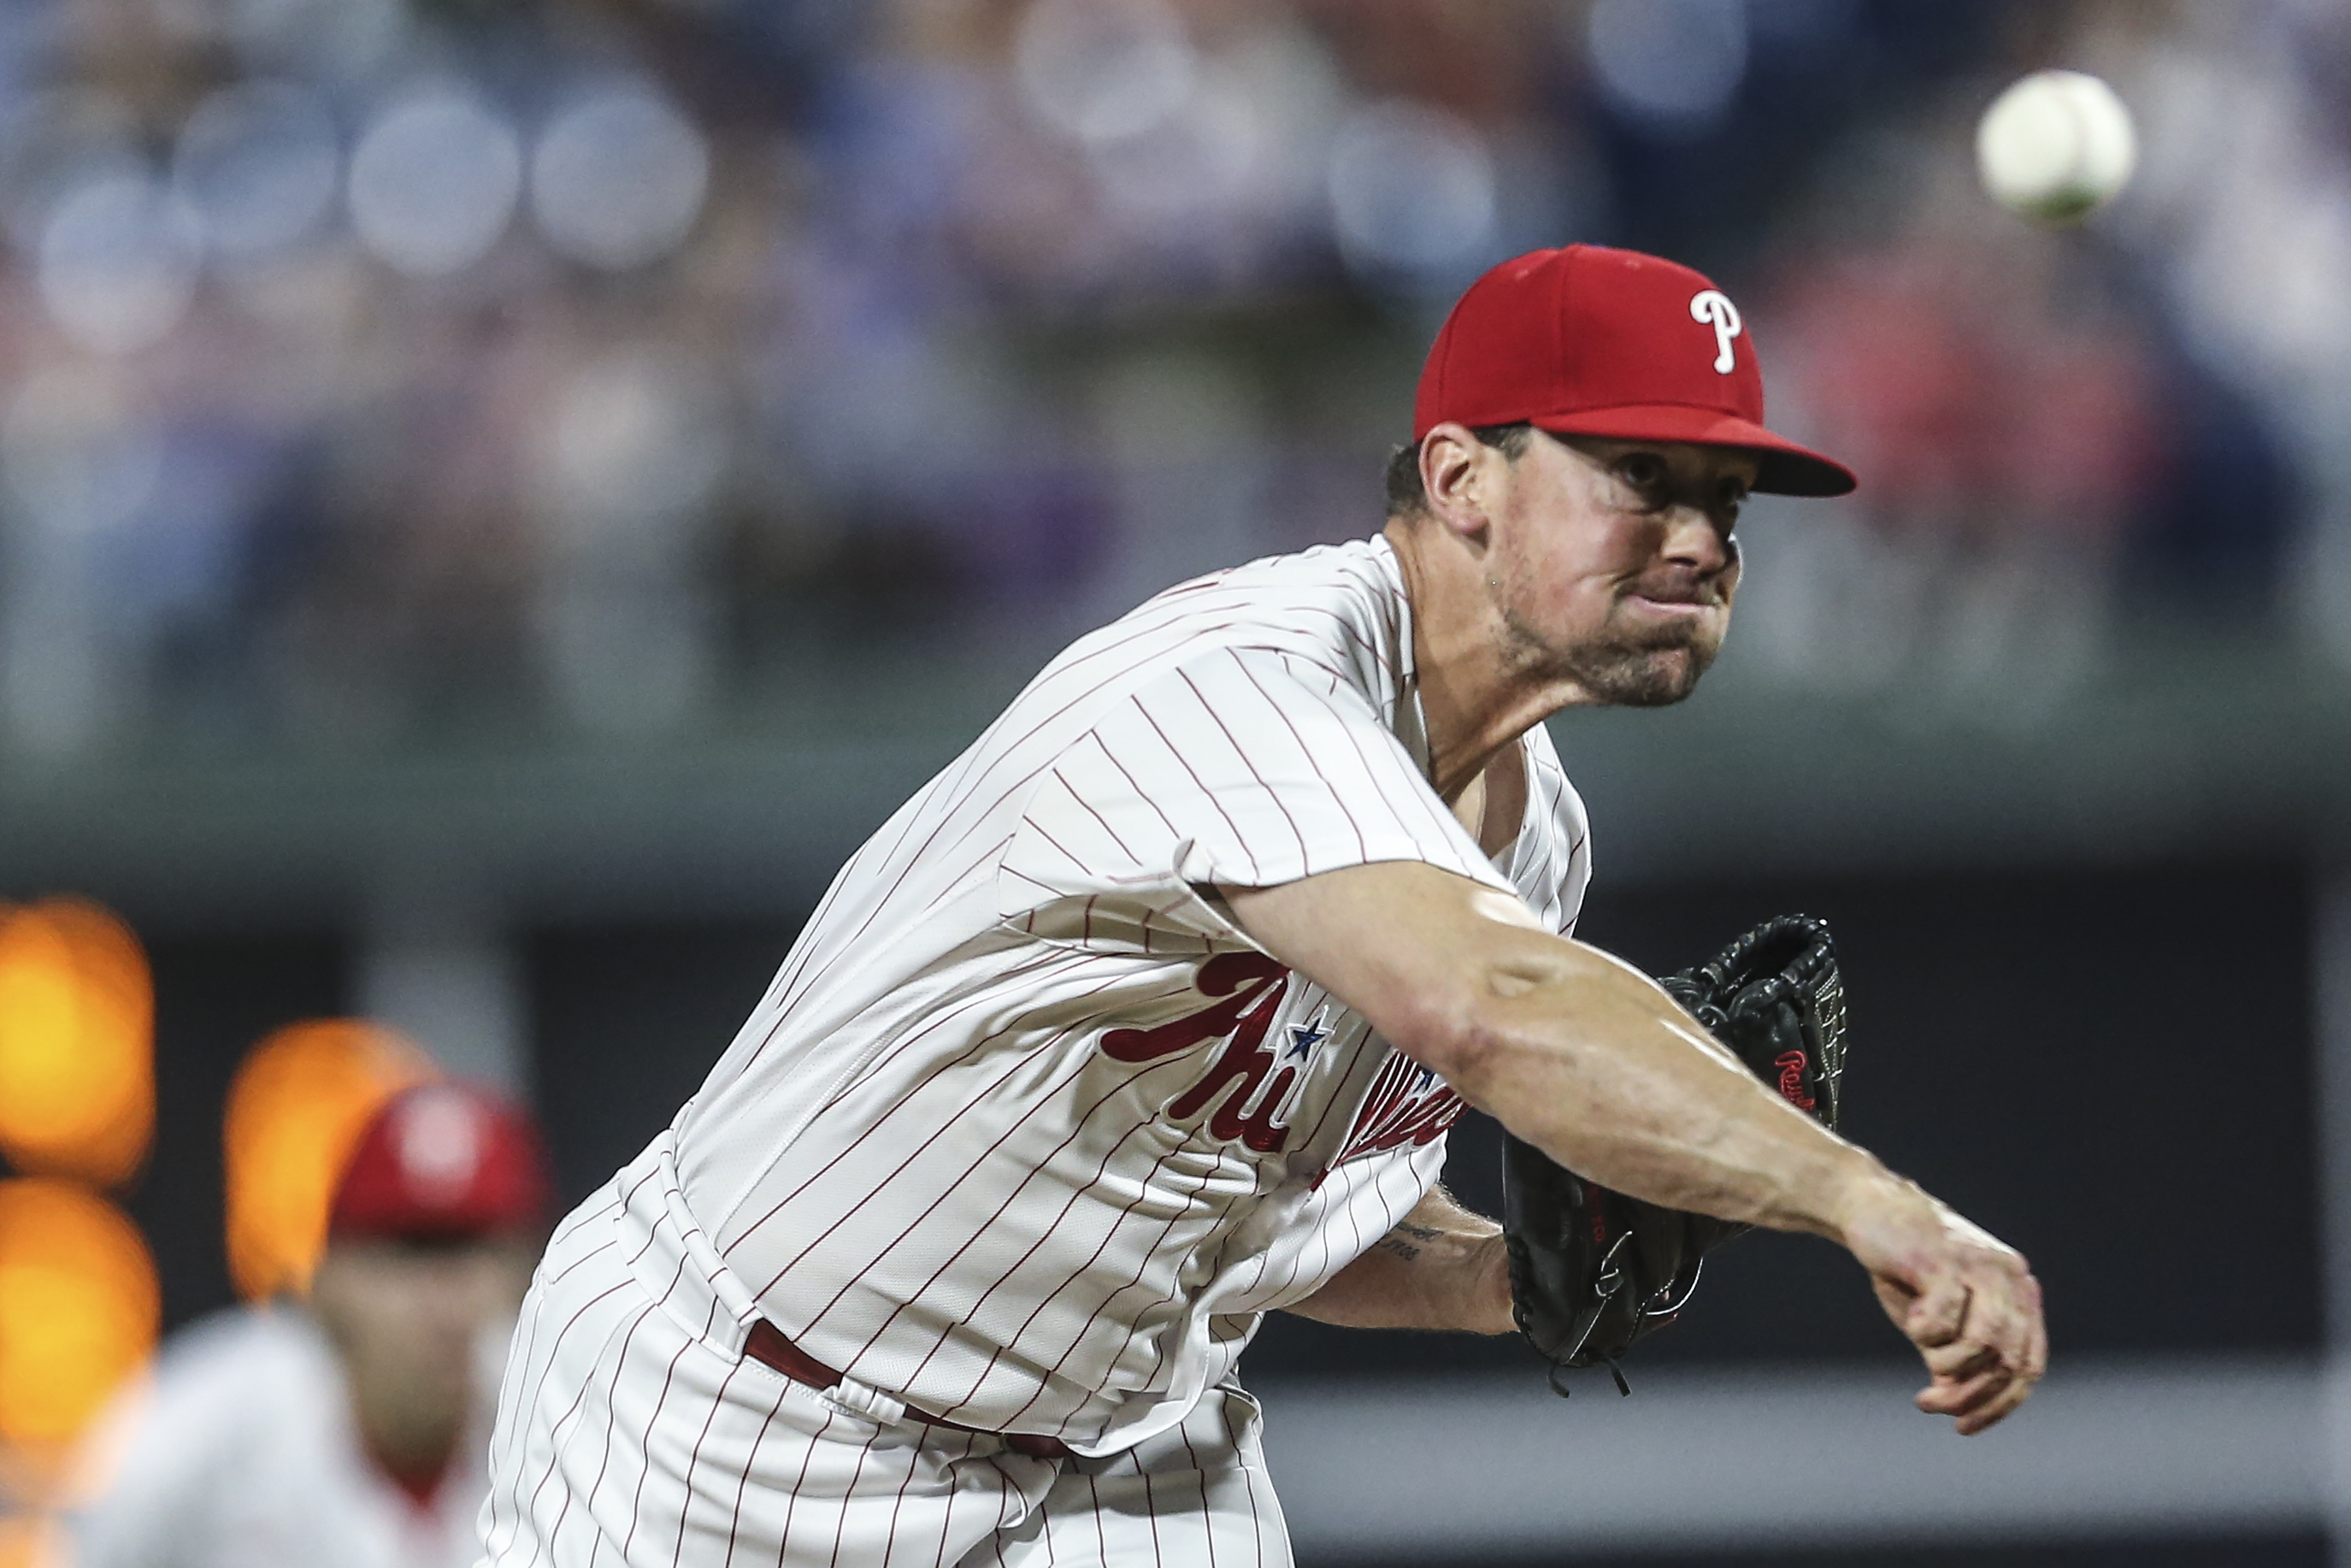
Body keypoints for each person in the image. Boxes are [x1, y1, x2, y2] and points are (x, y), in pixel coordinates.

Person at [480, 245, 2048, 1568]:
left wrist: (1519, 1279)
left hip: (1116, 1461)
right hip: (742, 1412)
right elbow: (1489, 1005)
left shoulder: (1533, 840)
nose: (1703, 537)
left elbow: (1287, 1229)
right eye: (1641, 475)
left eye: (1730, 498)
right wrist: (1870, 1200)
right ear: (1461, 477)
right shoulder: (1243, 681)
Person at [73, 1082, 552, 1568]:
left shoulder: (564, 1432)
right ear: (329, 1281)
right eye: (409, 1253)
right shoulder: (196, 1432)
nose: (447, 1301)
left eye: (473, 1254)